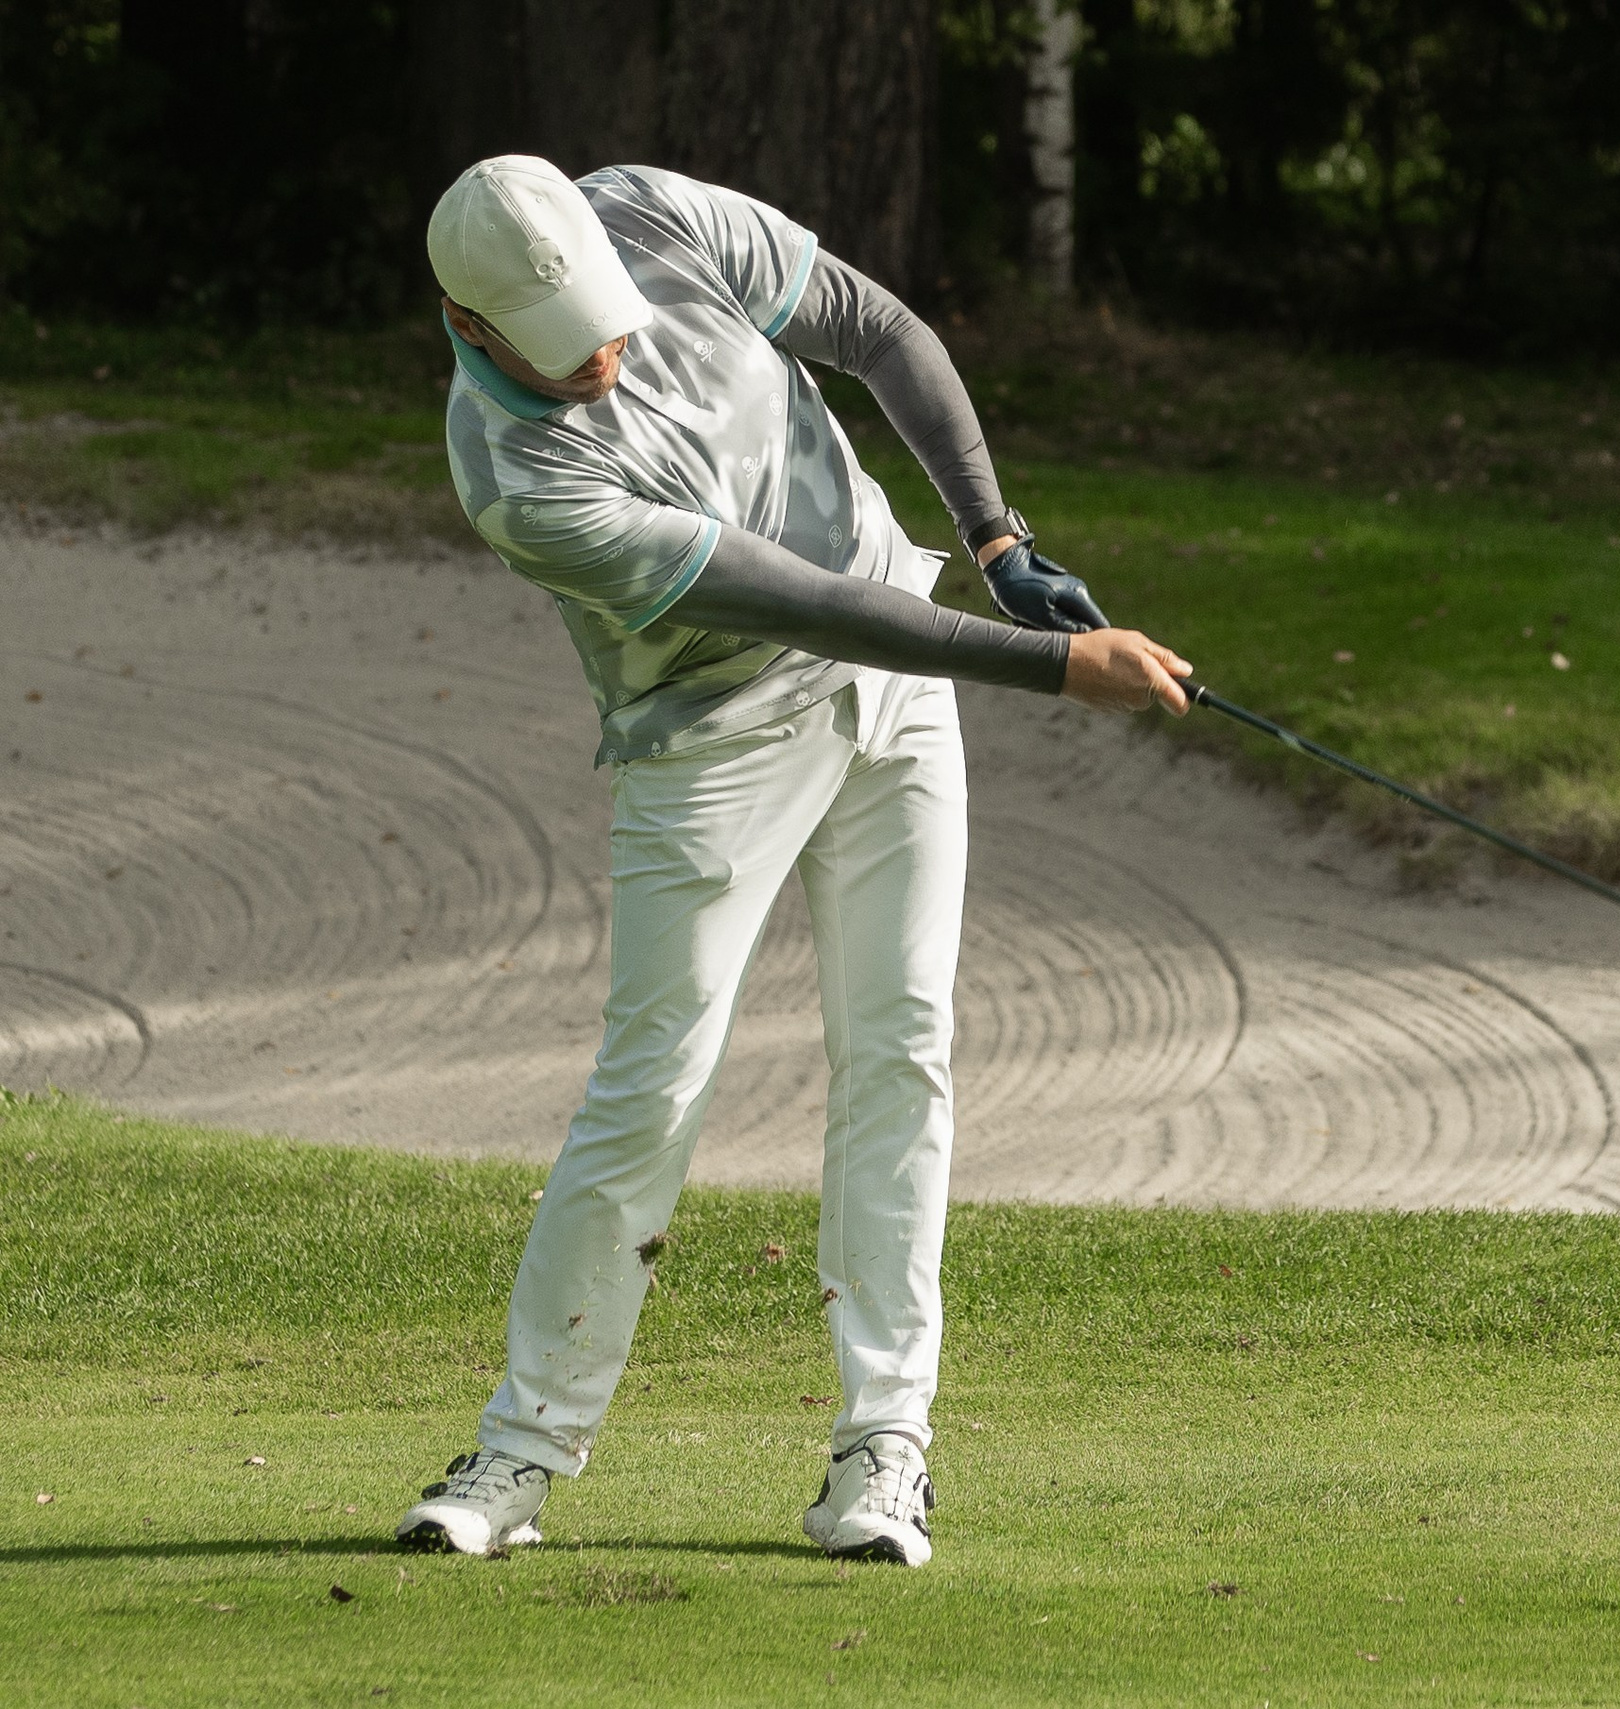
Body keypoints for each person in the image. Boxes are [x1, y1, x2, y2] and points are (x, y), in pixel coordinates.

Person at [393, 155, 1192, 1567]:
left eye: (611, 316)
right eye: (569, 349)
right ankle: (519, 1452)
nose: (612, 355)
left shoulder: (647, 212)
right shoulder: (518, 475)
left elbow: (885, 333)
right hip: (712, 744)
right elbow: (818, 608)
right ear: (472, 330)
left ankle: (884, 1451)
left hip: (895, 697)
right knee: (654, 1080)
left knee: (901, 1045)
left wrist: (997, 536)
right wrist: (1061, 664)